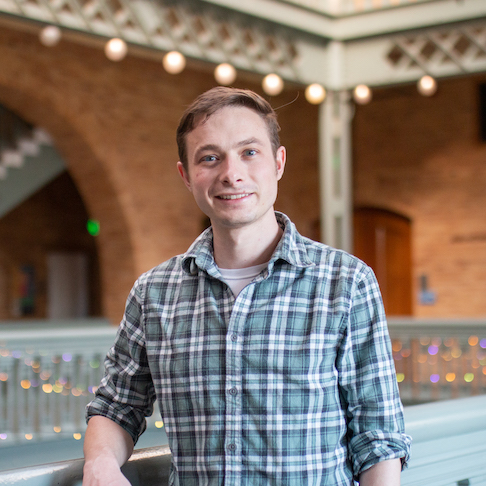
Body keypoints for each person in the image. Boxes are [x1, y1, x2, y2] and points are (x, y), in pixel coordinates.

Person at [83, 86, 411, 486]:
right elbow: (118, 408)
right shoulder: (153, 294)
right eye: (210, 157)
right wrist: (100, 464)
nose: (231, 173)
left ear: (278, 162)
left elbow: (377, 438)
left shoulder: (346, 282)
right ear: (186, 175)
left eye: (249, 152)